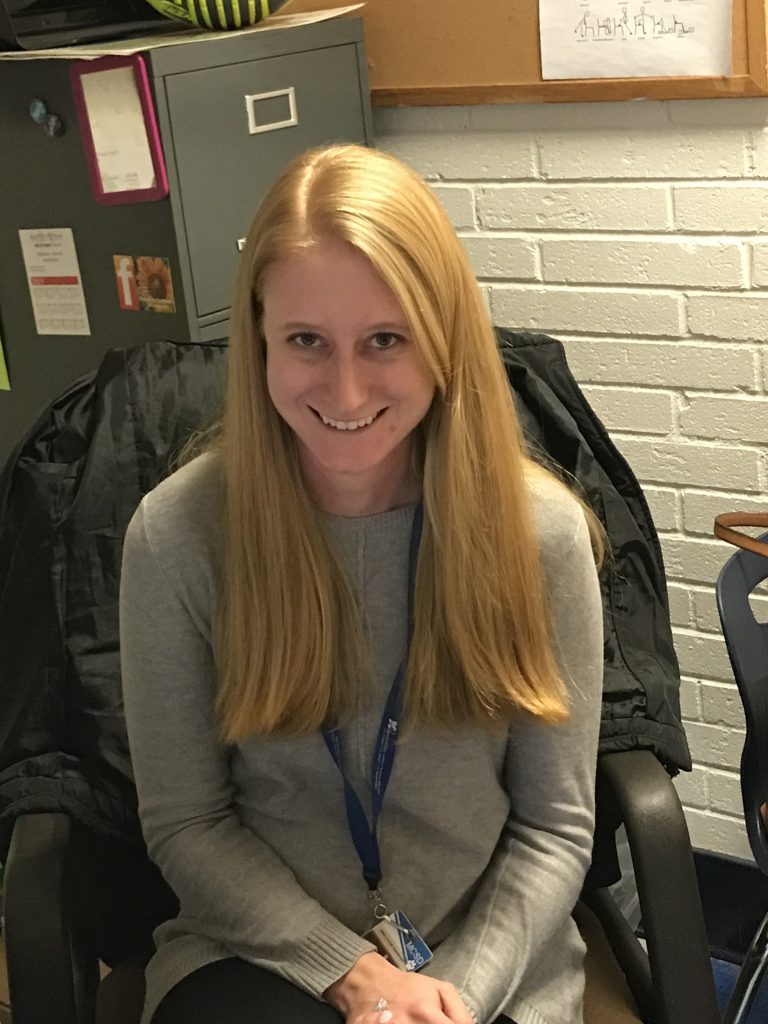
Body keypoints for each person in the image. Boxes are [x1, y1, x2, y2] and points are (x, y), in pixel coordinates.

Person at [120, 143, 604, 1024]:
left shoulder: (542, 538)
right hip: (259, 950)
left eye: (386, 339)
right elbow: (188, 824)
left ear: (442, 340)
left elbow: (554, 829)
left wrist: (450, 997)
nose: (345, 388)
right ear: (259, 339)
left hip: (486, 958)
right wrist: (355, 975)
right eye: (306, 341)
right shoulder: (178, 535)